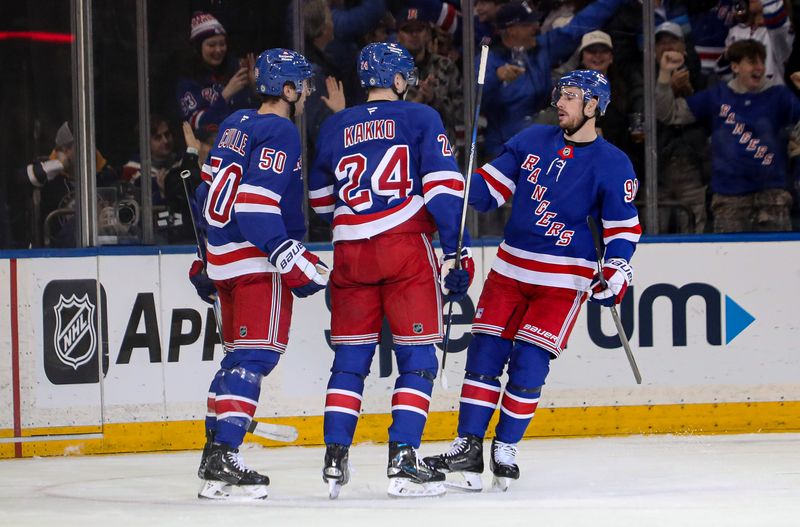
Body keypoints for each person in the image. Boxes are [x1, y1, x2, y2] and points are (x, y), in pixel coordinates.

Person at [423, 70, 641, 492]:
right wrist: (452, 174)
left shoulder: (614, 164)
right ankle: (467, 447)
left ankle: (504, 447)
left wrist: (617, 270)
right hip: (509, 271)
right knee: (484, 357)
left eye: (571, 97)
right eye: (559, 95)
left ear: (593, 105)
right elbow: (484, 193)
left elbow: (622, 230)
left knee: (529, 365)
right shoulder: (531, 141)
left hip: (563, 281)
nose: (560, 103)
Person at [308, 42, 473, 498]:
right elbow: (442, 191)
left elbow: (321, 202)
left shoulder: (335, 125)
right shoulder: (421, 118)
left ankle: (335, 460)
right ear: (399, 80)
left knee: (349, 362)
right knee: (417, 360)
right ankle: (402, 461)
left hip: (350, 254)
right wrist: (457, 251)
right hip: (404, 250)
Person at [194, 48, 329, 501]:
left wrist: (206, 257)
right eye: (302, 84)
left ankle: (215, 459)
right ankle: (225, 455)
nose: (307, 91)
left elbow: (204, 192)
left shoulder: (235, 124)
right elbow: (254, 205)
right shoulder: (281, 130)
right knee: (254, 360)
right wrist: (287, 254)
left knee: (235, 359)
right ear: (287, 89)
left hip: (225, 260)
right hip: (256, 262)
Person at [656, 39, 800, 232]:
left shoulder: (780, 96)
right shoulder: (717, 96)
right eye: (752, 61)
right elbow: (669, 113)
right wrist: (664, 75)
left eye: (761, 62)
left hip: (772, 196)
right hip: (729, 198)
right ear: (735, 66)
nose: (759, 67)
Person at [480, 0, 627, 158]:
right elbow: (474, 100)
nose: (536, 27)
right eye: (528, 24)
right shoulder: (487, 60)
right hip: (506, 150)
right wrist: (495, 78)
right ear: (512, 31)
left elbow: (579, 25)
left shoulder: (542, 48)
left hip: (545, 144)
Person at [395, 7, 465, 149]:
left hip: (440, 146)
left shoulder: (445, 66)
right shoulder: (389, 71)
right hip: (403, 147)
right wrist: (419, 99)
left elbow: (462, 113)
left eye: (420, 29)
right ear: (398, 35)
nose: (414, 35)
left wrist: (434, 99)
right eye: (408, 30)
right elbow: (385, 116)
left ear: (428, 33)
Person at [176, 12, 256, 133]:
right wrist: (226, 95)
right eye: (212, 45)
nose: (218, 50)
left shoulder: (236, 70)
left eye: (222, 44)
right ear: (198, 48)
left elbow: (258, 115)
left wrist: (256, 88)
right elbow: (197, 125)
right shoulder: (187, 82)